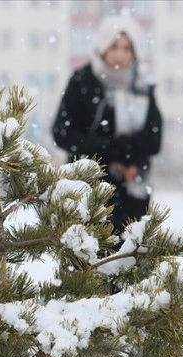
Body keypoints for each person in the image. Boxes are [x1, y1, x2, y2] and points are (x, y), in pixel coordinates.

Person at [51, 15, 162, 233]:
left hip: (133, 190)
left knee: (130, 257)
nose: (120, 54)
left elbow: (154, 138)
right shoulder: (82, 81)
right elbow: (63, 133)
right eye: (114, 46)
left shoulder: (142, 85)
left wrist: (130, 160)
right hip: (87, 189)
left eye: (127, 48)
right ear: (102, 47)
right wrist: (111, 152)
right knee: (87, 258)